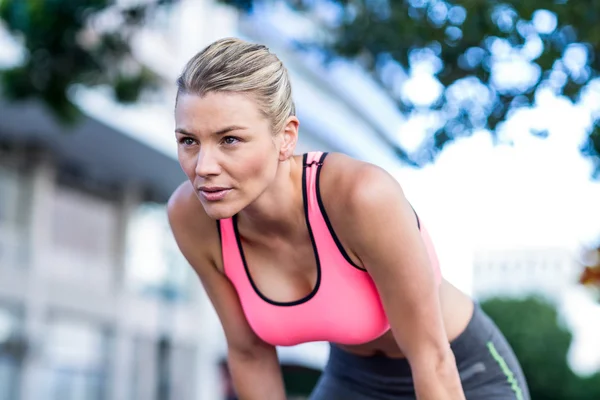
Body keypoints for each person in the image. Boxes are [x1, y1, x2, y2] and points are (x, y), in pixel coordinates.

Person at [167, 37, 530, 400]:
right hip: (353, 380)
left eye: (229, 140)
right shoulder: (192, 217)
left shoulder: (361, 197)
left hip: (460, 370)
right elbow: (249, 353)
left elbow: (432, 359)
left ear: (286, 138)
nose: (203, 167)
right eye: (188, 141)